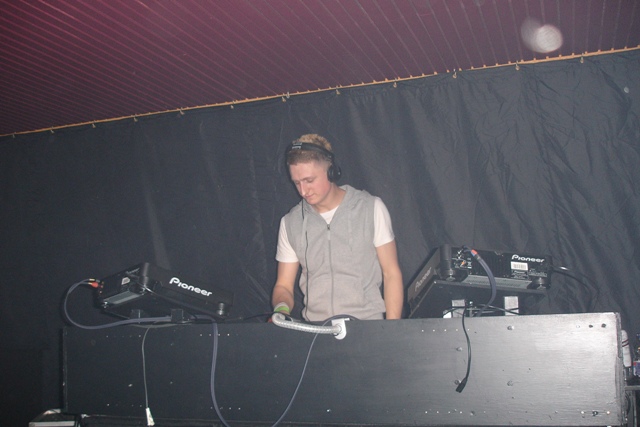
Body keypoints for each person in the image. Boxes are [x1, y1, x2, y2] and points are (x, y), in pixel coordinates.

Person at [271, 134, 404, 321]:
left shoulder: (370, 208)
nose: (303, 191)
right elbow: (283, 286)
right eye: (297, 183)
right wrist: (281, 310)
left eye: (309, 180)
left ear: (331, 172)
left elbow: (391, 274)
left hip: (367, 326)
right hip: (316, 331)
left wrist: (390, 330)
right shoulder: (291, 222)